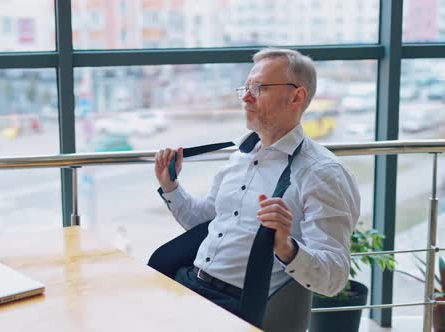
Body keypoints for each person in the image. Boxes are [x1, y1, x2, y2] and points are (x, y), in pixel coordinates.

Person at [153, 48, 361, 317]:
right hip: (189, 283)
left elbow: (334, 277)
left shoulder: (323, 173)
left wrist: (286, 248)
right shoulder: (240, 157)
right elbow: (204, 222)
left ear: (296, 96)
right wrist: (171, 187)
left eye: (260, 88)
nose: (246, 98)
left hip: (237, 307)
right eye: (246, 88)